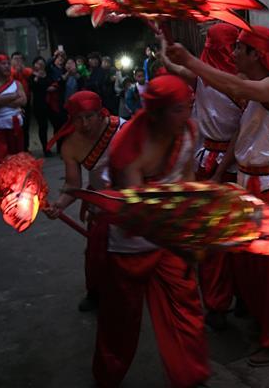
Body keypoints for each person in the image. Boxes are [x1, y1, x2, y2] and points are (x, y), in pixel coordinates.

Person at [167, 27, 269, 367]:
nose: (232, 54)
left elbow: (234, 86)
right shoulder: (254, 88)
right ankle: (267, 328)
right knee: (253, 268)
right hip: (251, 184)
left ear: (256, 54)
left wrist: (192, 62)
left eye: (239, 48)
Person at [92, 75, 209, 388]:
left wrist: (199, 226)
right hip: (132, 241)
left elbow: (188, 183)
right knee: (122, 318)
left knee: (186, 307)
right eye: (178, 110)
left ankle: (190, 377)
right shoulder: (127, 147)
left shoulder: (188, 131)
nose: (187, 116)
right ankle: (107, 376)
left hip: (169, 237)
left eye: (189, 108)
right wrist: (185, 242)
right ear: (156, 113)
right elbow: (139, 214)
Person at [160, 22, 243, 332]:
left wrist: (221, 172)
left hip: (224, 166)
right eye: (230, 45)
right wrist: (163, 40)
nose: (232, 52)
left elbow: (241, 131)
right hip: (217, 165)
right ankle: (222, 302)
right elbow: (174, 65)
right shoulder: (211, 77)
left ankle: (228, 300)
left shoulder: (229, 79)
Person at [45, 91, 125, 313]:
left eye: (89, 116)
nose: (85, 123)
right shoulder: (70, 145)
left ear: (101, 113)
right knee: (96, 253)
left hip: (130, 198)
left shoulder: (124, 129)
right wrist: (59, 205)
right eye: (78, 118)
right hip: (99, 201)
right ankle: (95, 291)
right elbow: (73, 185)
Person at [0, 54, 27, 167]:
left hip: (15, 122)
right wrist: (14, 96)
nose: (7, 66)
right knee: (0, 158)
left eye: (8, 63)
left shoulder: (17, 83)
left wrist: (2, 100)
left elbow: (23, 101)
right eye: (3, 64)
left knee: (17, 156)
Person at [29, 57, 52, 154]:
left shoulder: (48, 73)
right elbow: (32, 87)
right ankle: (45, 148)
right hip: (39, 103)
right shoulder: (31, 76)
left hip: (51, 102)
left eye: (42, 62)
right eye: (38, 63)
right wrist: (37, 77)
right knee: (43, 126)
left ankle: (58, 145)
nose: (40, 65)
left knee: (56, 124)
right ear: (34, 65)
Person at [10, 52, 33, 152]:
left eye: (20, 59)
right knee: (16, 126)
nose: (18, 61)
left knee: (26, 126)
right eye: (15, 58)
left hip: (26, 101)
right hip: (14, 103)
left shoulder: (26, 70)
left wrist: (21, 70)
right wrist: (16, 71)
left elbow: (30, 73)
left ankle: (25, 147)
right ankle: (17, 148)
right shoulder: (9, 71)